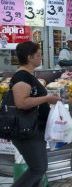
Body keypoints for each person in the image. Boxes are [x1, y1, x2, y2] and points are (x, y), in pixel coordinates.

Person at [11, 41, 60, 187]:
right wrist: (46, 98)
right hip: (27, 130)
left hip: (36, 129)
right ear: (29, 57)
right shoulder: (22, 77)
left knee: (40, 167)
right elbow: (21, 102)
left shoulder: (29, 76)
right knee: (38, 169)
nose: (41, 57)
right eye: (38, 55)